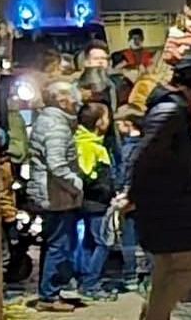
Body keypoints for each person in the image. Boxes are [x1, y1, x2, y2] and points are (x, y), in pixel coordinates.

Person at [126, 61, 191, 320]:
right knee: (188, 264)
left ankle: (155, 314)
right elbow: (147, 152)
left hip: (165, 196)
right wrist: (131, 192)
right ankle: (155, 315)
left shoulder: (170, 108)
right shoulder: (171, 110)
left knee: (167, 264)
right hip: (167, 199)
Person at [28, 82, 86, 312]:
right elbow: (57, 164)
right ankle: (49, 296)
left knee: (54, 242)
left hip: (50, 192)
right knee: (58, 244)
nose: (78, 105)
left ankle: (51, 290)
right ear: (63, 101)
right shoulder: (57, 127)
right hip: (56, 195)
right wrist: (76, 184)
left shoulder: (46, 120)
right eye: (75, 100)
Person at [72, 103, 116, 302]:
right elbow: (88, 175)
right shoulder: (91, 146)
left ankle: (83, 278)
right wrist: (107, 191)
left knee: (89, 241)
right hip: (95, 202)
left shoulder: (82, 140)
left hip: (87, 202)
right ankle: (91, 283)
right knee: (103, 241)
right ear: (99, 122)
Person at [111, 105, 147, 292]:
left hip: (130, 194)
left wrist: (120, 191)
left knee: (129, 237)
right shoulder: (147, 144)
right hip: (146, 195)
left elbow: (125, 172)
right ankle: (147, 273)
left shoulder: (129, 148)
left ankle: (131, 275)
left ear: (127, 123)